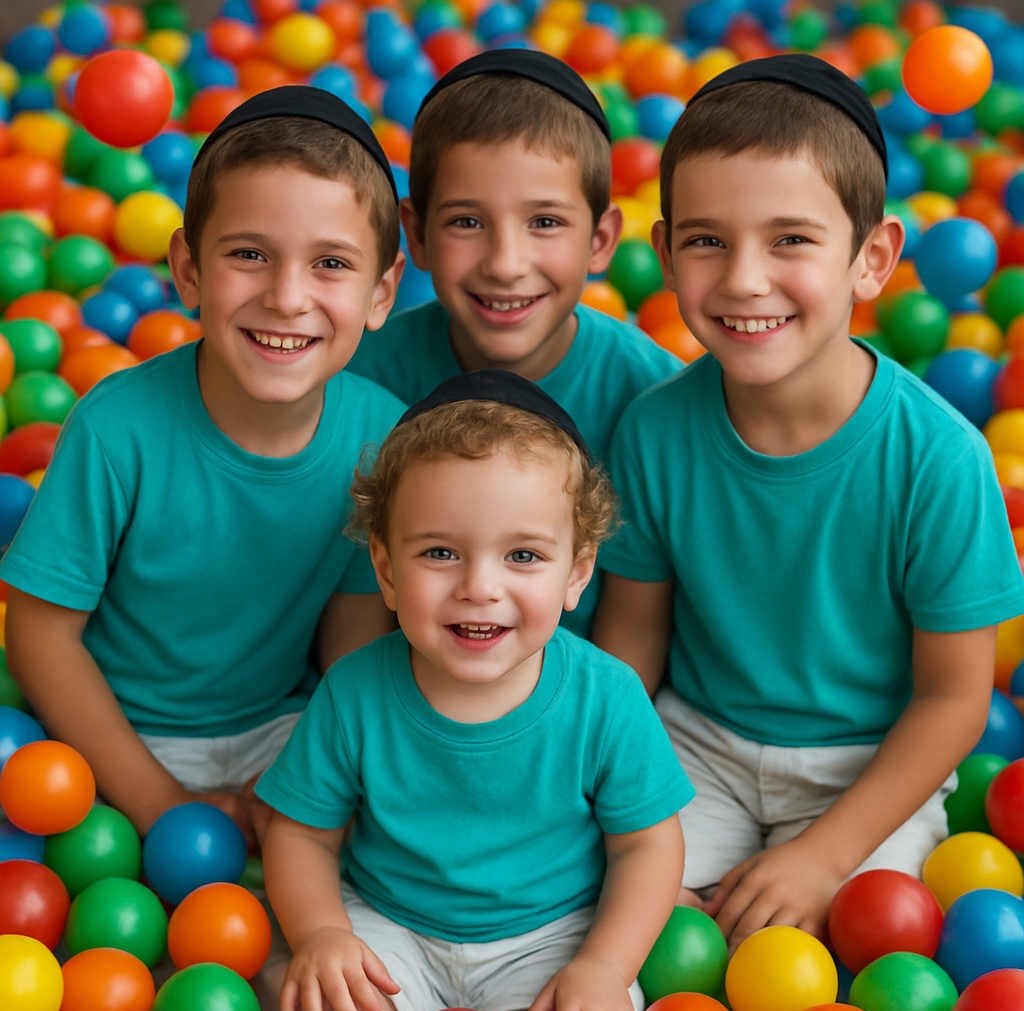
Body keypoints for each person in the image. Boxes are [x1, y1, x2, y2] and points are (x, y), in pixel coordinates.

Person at [591, 55, 1024, 952]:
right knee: (599, 909)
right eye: (708, 240)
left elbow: (952, 701)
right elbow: (635, 636)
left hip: (866, 771)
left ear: (873, 260)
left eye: (791, 240)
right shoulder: (654, 431)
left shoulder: (938, 458)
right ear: (665, 253)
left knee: (865, 941)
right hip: (698, 746)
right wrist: (588, 779)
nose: (746, 279)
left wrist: (824, 856)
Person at [0, 86, 407, 850]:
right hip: (116, 731)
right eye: (249, 254)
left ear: (381, 292)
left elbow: (353, 639)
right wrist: (160, 804)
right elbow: (40, 636)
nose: (287, 298)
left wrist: (310, 767)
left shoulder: (381, 437)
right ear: (187, 271)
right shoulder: (118, 425)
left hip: (280, 728)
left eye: (330, 264)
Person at [256, 370, 694, 1011]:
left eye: (522, 556)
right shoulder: (354, 690)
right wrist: (323, 934)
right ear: (385, 570)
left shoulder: (606, 696)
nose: (479, 587)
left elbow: (649, 847)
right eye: (439, 552)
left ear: (577, 572)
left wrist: (605, 966)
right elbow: (301, 837)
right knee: (314, 1000)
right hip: (390, 927)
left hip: (554, 936)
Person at [346, 50, 682, 637]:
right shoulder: (358, 379)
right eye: (467, 222)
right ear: (417, 235)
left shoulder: (655, 397)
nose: (506, 265)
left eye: (545, 222)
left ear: (601, 241)